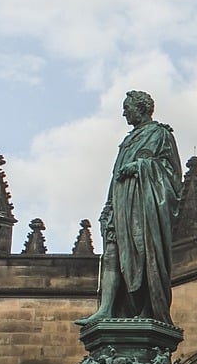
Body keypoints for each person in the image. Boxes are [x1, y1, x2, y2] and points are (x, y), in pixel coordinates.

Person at [76, 89, 183, 326]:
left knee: (144, 255)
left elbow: (173, 174)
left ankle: (148, 308)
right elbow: (115, 176)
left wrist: (140, 167)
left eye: (127, 107)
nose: (124, 112)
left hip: (144, 208)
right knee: (112, 253)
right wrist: (109, 206)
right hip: (121, 203)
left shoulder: (160, 134)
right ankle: (106, 308)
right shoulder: (128, 140)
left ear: (141, 108)